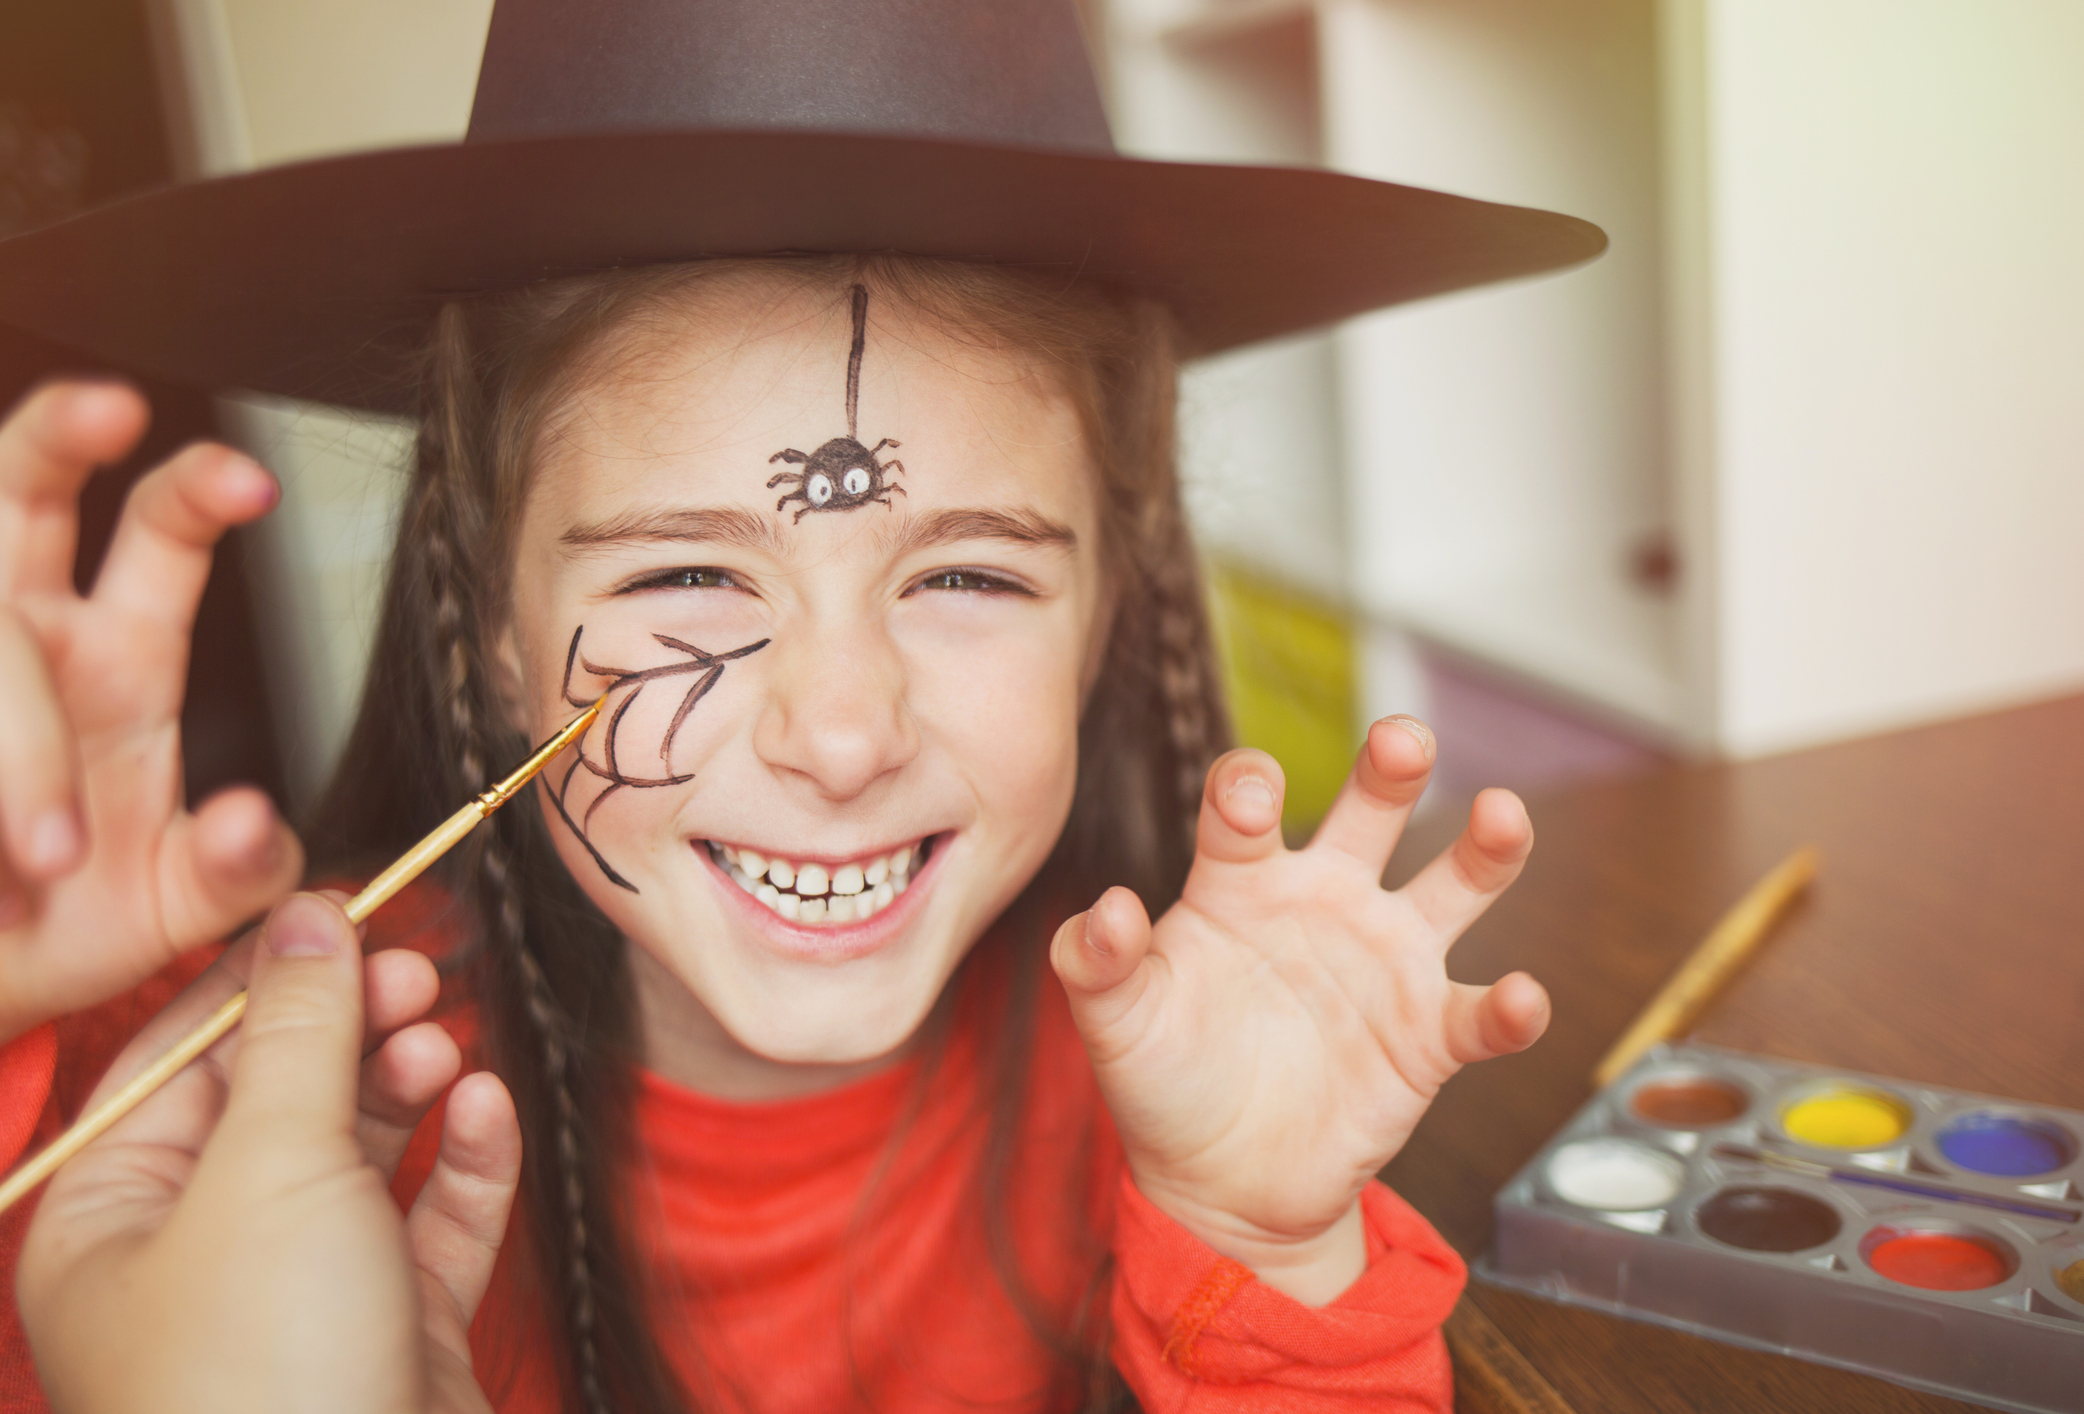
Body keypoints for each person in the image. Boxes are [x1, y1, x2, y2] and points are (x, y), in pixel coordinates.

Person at [0, 2, 1600, 1410]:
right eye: (684, 579)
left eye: (967, 579)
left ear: (1108, 608)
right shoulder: (248, 1124)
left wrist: (1268, 1253)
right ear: (491, 625)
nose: (840, 737)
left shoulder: (1199, 1087)